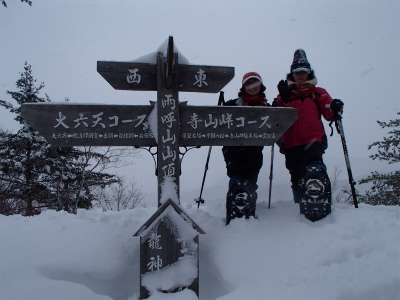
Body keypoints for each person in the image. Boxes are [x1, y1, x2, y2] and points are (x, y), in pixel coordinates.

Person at [274, 49, 343, 203]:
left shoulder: (317, 93)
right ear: (292, 73)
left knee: (316, 171)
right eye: (297, 71)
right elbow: (276, 119)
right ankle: (300, 207)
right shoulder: (284, 95)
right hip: (291, 143)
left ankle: (322, 202)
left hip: (314, 141)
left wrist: (335, 107)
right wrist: (281, 101)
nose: (300, 74)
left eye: (304, 70)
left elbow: (329, 113)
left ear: (309, 72)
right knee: (297, 177)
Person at [222, 72, 270, 195]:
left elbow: (277, 126)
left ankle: (248, 208)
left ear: (261, 86)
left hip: (255, 152)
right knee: (236, 180)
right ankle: (235, 207)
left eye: (255, 82)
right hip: (233, 150)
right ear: (243, 87)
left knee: (251, 182)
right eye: (248, 83)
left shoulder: (268, 108)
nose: (252, 86)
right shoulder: (232, 105)